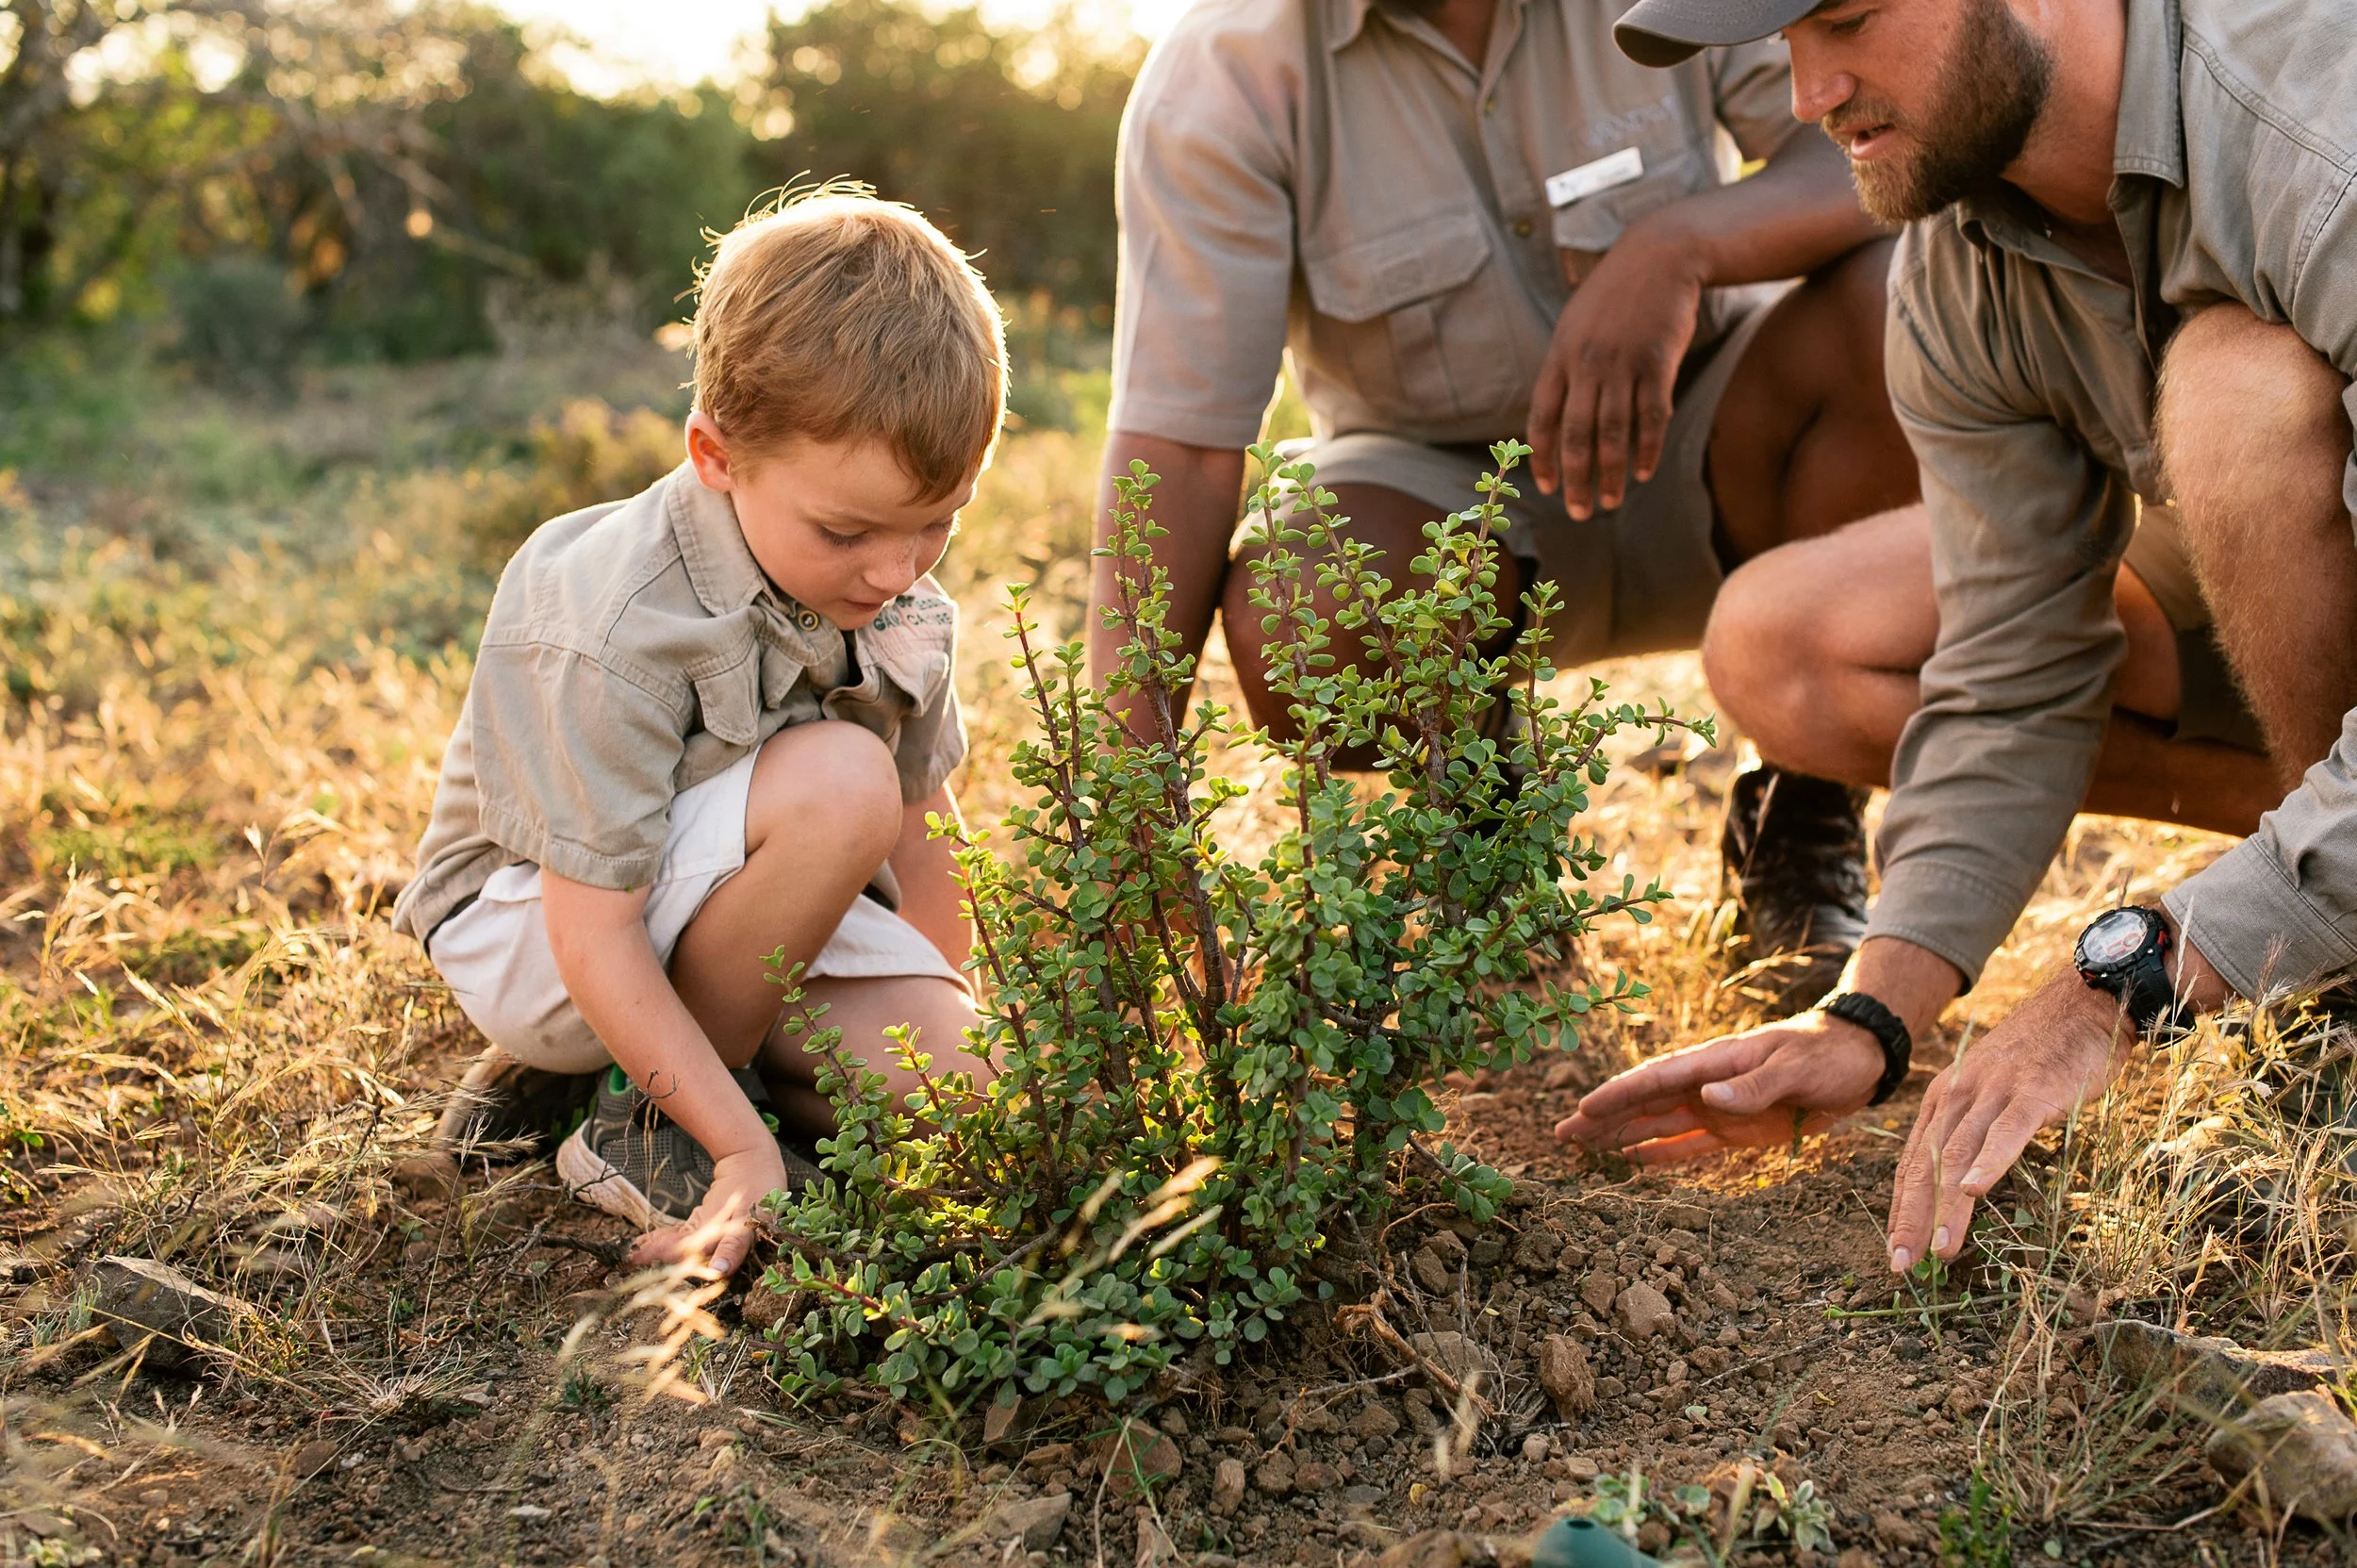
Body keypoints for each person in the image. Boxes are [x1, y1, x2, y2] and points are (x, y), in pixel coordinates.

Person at [1566, 0, 2357, 1277]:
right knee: (1788, 631)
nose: (1810, 94)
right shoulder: (1960, 247)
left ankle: (2320, 900)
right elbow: (2012, 665)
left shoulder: (2320, 138)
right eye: (1783, 46)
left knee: (2238, 397)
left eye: (1846, 19)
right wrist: (1873, 1014)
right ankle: (2323, 891)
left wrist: (2128, 981)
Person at [1094, 0, 1923, 994]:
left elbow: (1893, 141)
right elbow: (1181, 449)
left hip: (1724, 440)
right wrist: (1131, 805)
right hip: (1438, 500)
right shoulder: (1223, 74)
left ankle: (1800, 817)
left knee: (1902, 296)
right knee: (1305, 600)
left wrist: (1677, 246)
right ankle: (1489, 828)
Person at [390, 190, 1002, 1279]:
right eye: (846, 530)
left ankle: (623, 1082)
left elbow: (924, 825)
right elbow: (593, 927)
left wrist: (950, 1001)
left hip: (746, 909)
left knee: (968, 1092)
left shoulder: (895, 596)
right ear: (717, 455)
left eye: (936, 521)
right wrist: (740, 1148)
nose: (894, 569)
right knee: (843, 782)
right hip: (542, 928)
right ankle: (642, 1117)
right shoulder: (618, 617)